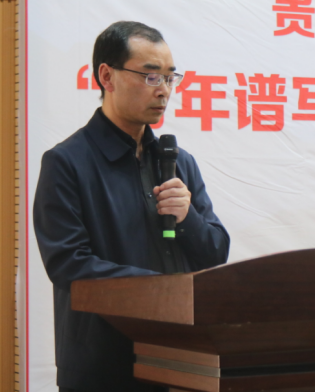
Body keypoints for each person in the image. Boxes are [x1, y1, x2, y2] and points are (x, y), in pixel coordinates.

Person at [34, 21, 230, 392]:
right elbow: (68, 264)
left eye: (170, 78)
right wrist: (162, 291)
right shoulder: (67, 163)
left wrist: (188, 218)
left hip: (181, 362)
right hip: (105, 366)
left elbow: (216, 251)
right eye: (151, 76)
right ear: (107, 76)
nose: (164, 90)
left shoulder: (178, 162)